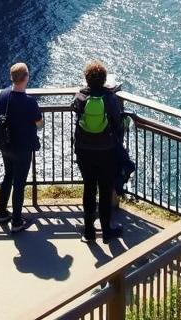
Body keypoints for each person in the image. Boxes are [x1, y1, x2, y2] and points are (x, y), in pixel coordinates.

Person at [72, 59, 124, 243]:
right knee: (104, 189)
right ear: (104, 80)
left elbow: (75, 112)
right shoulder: (110, 98)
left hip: (84, 150)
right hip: (106, 150)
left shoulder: (80, 97)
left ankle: (88, 231)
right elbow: (117, 123)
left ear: (87, 79)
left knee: (89, 187)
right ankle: (107, 230)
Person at [0, 61, 44, 233]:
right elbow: (39, 124)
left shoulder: (3, 95)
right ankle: (16, 222)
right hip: (23, 148)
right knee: (19, 183)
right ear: (26, 78)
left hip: (5, 145)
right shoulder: (30, 102)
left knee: (8, 176)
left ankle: (2, 213)